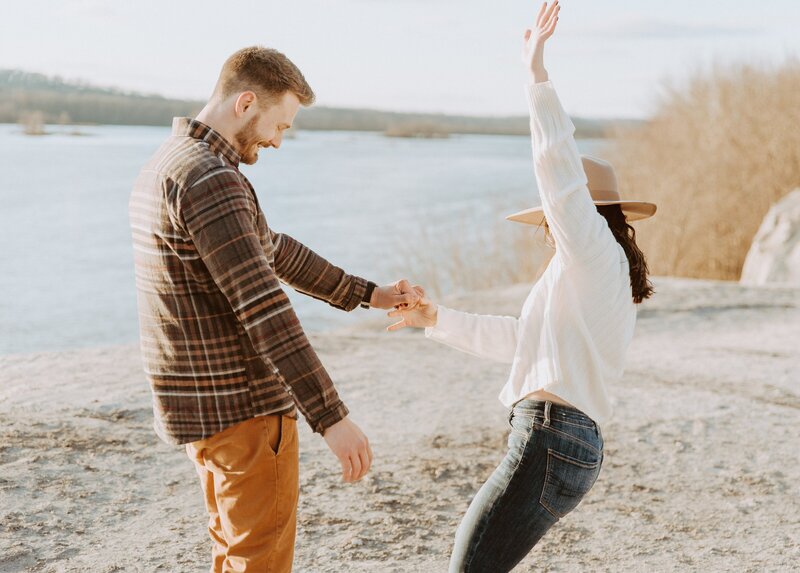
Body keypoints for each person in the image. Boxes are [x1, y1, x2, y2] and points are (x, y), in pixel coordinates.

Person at [387, 2, 657, 571]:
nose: (549, 226)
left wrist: (535, 74)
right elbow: (523, 342)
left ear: (589, 212)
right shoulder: (592, 273)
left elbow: (557, 171)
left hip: (552, 436)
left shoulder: (590, 250)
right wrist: (436, 318)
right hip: (565, 442)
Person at [129, 46, 417, 572]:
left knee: (234, 555)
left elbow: (272, 248)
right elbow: (263, 307)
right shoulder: (212, 178)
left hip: (203, 412)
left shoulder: (168, 163)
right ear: (245, 102)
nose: (278, 141)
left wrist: (367, 292)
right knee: (257, 563)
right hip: (247, 413)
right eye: (278, 124)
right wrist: (331, 417)